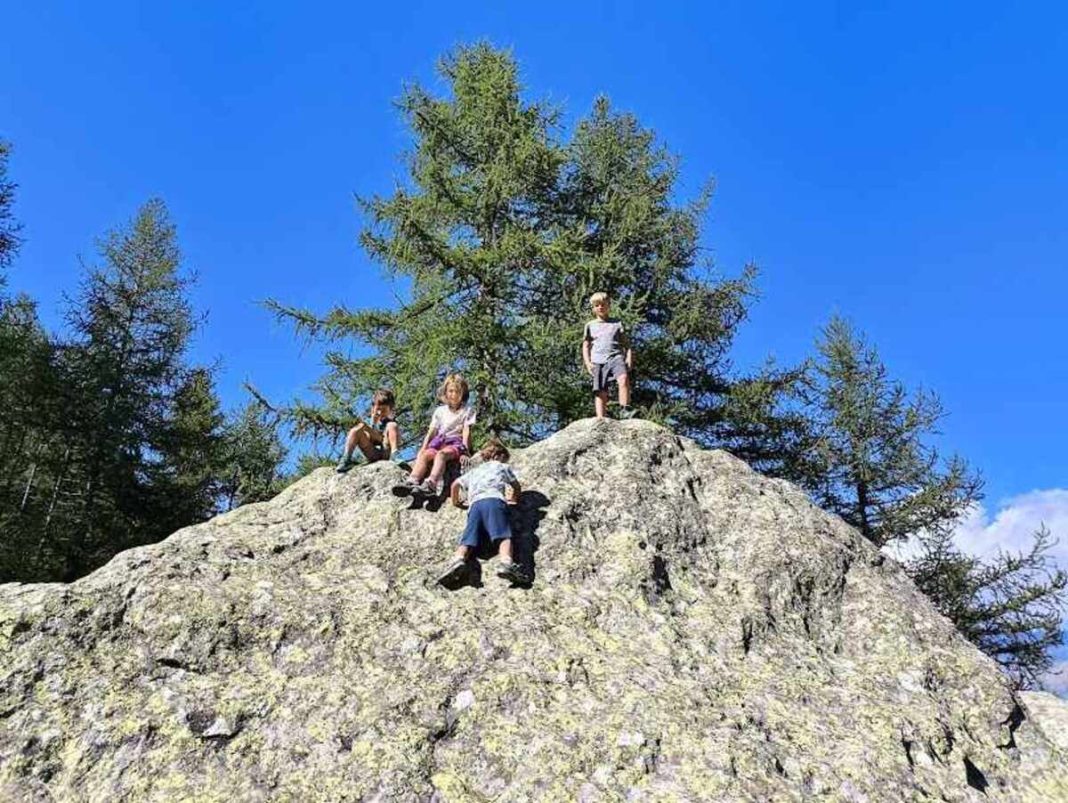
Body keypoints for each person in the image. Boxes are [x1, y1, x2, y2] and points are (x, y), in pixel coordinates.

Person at [437, 439, 528, 589]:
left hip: (474, 505)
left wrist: (456, 502)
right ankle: (506, 563)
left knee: (468, 537)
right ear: (498, 455)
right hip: (494, 500)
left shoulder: (475, 471)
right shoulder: (501, 466)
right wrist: (513, 499)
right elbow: (516, 486)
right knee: (504, 535)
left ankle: (457, 560)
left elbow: (455, 484)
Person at [392, 373, 475, 497]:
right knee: (425, 455)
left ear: (463, 393)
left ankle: (431, 483)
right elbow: (432, 431)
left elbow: (466, 431)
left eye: (458, 391)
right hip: (439, 441)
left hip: (455, 443)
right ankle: (412, 481)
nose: (454, 395)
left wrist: (465, 451)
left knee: (441, 455)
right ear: (446, 392)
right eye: (451, 391)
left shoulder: (467, 410)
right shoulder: (440, 411)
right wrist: (423, 448)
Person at [582, 292, 635, 419]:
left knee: (623, 379)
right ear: (593, 308)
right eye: (597, 305)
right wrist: (588, 363)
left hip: (615, 357)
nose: (600, 307)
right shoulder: (590, 325)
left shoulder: (617, 323)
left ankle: (625, 409)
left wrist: (629, 359)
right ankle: (601, 418)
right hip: (597, 360)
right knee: (600, 390)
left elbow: (627, 344)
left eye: (603, 304)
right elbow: (586, 345)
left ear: (608, 306)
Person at [335, 388, 400, 473]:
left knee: (392, 426)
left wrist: (369, 428)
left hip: (386, 453)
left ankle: (395, 455)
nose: (380, 413)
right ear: (373, 408)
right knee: (356, 430)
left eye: (383, 410)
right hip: (372, 453)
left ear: (390, 409)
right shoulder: (368, 421)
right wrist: (372, 424)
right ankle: (346, 459)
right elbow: (369, 438)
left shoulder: (390, 423)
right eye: (378, 409)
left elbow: (381, 439)